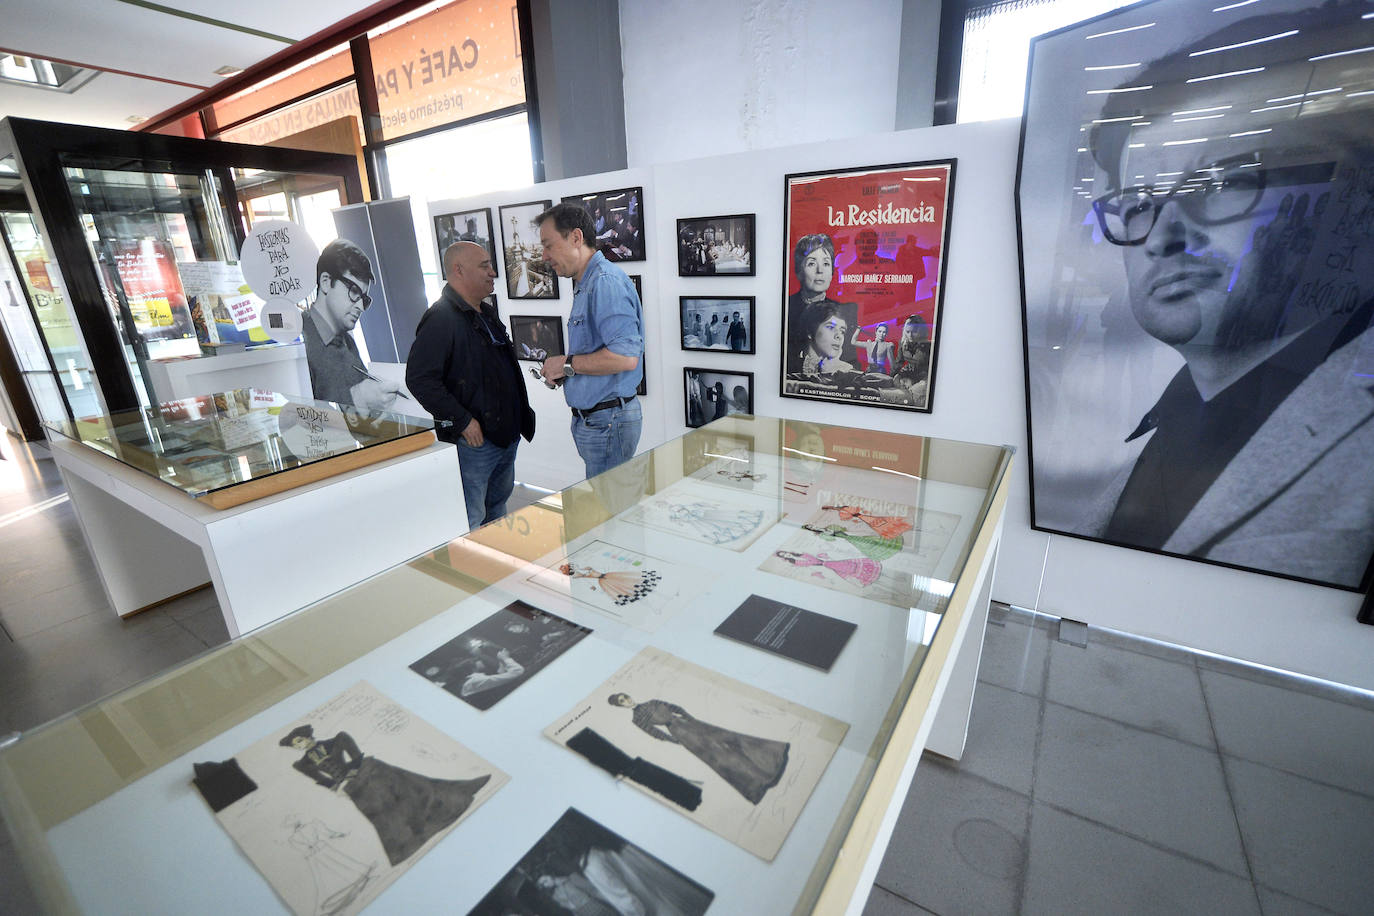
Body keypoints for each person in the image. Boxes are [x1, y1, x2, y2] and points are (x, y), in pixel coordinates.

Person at [1071, 1, 1374, 586]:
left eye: (1221, 183)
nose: (1162, 236)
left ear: (1343, 199)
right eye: (1138, 203)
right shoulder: (1172, 423)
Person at [407, 241, 535, 531]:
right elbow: (420, 378)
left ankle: (495, 568)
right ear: (458, 270)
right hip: (474, 444)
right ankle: (474, 573)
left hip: (503, 438)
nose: (492, 273)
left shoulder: (485, 313)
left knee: (497, 512)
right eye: (484, 266)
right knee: (470, 520)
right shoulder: (441, 319)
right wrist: (463, 420)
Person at [280, 725, 490, 867]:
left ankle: (456, 791)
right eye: (295, 744)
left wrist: (353, 771)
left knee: (409, 785)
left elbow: (356, 755)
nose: (300, 744)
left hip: (368, 771)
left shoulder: (336, 740)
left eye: (300, 740)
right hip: (353, 788)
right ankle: (407, 842)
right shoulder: (302, 764)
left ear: (308, 736)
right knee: (383, 814)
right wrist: (338, 787)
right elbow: (322, 780)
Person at [537, 203, 645, 478]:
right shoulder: (588, 282)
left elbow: (625, 357)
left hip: (607, 422)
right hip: (599, 421)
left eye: (549, 245)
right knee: (605, 507)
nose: (544, 255)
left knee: (608, 512)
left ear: (576, 237)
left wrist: (566, 365)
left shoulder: (604, 282)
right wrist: (566, 369)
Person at [608, 692, 789, 805]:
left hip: (690, 723)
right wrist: (674, 740)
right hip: (680, 733)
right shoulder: (636, 719)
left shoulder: (652, 701)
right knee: (716, 758)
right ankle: (756, 784)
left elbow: (675, 707)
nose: (626, 700)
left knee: (729, 737)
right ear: (621, 706)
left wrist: (689, 718)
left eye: (625, 697)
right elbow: (654, 733)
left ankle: (772, 756)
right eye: (622, 701)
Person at [303, 239, 401, 409]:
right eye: (354, 291)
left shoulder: (346, 341)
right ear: (326, 282)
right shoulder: (298, 341)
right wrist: (357, 399)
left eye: (364, 299)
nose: (361, 307)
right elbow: (296, 418)